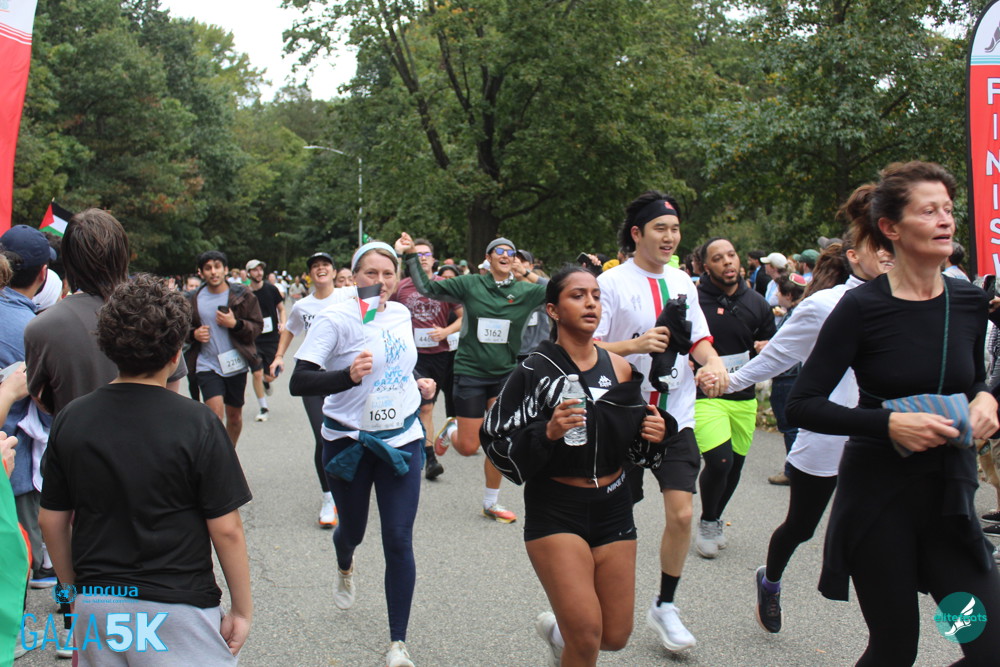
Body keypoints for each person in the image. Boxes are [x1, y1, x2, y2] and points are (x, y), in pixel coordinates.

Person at [786, 161, 1000, 665]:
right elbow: (803, 404)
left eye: (948, 209)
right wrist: (888, 423)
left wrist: (987, 398)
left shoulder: (968, 302)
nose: (945, 220)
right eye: (929, 211)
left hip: (950, 510)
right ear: (891, 228)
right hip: (881, 508)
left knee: (987, 647)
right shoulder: (861, 308)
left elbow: (971, 380)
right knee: (895, 649)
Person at [38, 274, 253, 665]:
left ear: (107, 346)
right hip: (178, 604)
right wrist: (241, 609)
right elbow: (226, 529)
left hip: (98, 602)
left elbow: (51, 520)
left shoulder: (72, 418)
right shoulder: (198, 422)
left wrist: (73, 595)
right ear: (175, 354)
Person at [481, 266, 669, 667]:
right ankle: (570, 636)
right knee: (585, 638)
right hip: (557, 509)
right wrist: (546, 433)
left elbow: (633, 447)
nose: (590, 304)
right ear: (553, 309)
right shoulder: (534, 370)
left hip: (614, 506)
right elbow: (495, 440)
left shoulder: (619, 367)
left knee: (614, 637)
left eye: (596, 296)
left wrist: (653, 434)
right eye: (578, 296)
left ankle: (557, 634)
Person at [725, 231, 893, 632]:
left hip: (886, 435)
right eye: (877, 246)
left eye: (892, 244)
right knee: (801, 526)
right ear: (853, 256)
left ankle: (889, 627)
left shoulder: (911, 302)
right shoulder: (825, 304)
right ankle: (770, 581)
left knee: (883, 529)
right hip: (829, 433)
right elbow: (780, 354)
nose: (888, 253)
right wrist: (729, 383)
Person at [593, 191, 729, 652]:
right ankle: (590, 603)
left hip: (676, 415)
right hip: (623, 416)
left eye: (675, 230)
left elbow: (699, 340)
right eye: (660, 229)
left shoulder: (683, 282)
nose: (670, 237)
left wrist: (713, 363)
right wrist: (635, 346)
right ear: (637, 234)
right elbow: (586, 348)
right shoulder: (611, 283)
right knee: (615, 517)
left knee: (683, 513)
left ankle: (665, 605)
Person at [290, 242, 434, 667]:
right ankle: (345, 561)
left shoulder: (401, 313)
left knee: (398, 538)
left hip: (401, 439)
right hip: (348, 443)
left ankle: (398, 644)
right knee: (352, 530)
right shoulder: (336, 318)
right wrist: (347, 377)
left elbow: (397, 360)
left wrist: (420, 381)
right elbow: (300, 381)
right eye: (371, 273)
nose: (381, 281)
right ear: (353, 277)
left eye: (388, 273)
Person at [394, 232, 547, 524]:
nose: (505, 255)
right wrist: (411, 255)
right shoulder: (470, 284)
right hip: (471, 372)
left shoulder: (525, 291)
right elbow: (427, 287)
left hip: (504, 374)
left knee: (500, 438)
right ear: (488, 259)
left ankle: (491, 502)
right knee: (468, 447)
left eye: (511, 252)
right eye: (499, 250)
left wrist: (528, 274)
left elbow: (558, 292)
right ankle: (451, 430)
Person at [690, 238, 775, 559]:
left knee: (735, 466)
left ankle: (713, 517)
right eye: (718, 258)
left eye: (731, 255)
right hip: (706, 394)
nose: (727, 262)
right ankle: (708, 523)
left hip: (743, 396)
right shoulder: (694, 301)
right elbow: (677, 338)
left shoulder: (757, 303)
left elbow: (769, 344)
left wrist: (766, 348)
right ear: (705, 266)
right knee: (720, 460)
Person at [271, 252, 355, 528]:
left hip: (345, 377)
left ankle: (353, 483)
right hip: (314, 378)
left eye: (325, 265)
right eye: (315, 267)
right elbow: (289, 330)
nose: (321, 269)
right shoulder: (302, 306)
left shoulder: (348, 295)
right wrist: (279, 356)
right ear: (310, 275)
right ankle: (329, 497)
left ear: (334, 272)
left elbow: (379, 294)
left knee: (352, 435)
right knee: (323, 437)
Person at [0, 225, 53, 589]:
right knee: (16, 563)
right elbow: (47, 404)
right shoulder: (32, 329)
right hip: (15, 468)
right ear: (43, 273)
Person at [389, 239, 463, 481]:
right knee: (425, 406)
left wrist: (446, 331)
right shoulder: (402, 287)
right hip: (411, 355)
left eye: (426, 254)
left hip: (440, 355)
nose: (422, 258)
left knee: (426, 406)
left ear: (433, 259)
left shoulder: (444, 285)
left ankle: (419, 447)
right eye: (417, 254)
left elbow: (464, 316)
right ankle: (430, 459)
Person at [185, 250, 263, 447]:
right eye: (208, 268)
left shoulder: (242, 295)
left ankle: (229, 454)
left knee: (234, 418)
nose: (213, 272)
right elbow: (180, 328)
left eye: (217, 267)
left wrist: (235, 324)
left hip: (235, 363)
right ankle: (217, 459)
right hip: (206, 364)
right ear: (201, 272)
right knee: (215, 417)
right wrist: (193, 334)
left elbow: (257, 326)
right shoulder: (192, 298)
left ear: (225, 269)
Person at [762, 272, 808, 486]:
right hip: (797, 375)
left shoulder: (795, 316)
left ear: (789, 295)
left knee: (790, 426)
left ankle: (792, 470)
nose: (776, 296)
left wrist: (767, 347)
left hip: (788, 376)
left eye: (779, 292)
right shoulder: (799, 312)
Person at [246, 259, 286, 423]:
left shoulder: (271, 289)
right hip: (253, 339)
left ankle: (266, 382)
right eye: (255, 270)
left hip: (271, 338)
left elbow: (281, 309)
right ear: (248, 273)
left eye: (260, 269)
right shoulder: (246, 293)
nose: (259, 273)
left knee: (270, 376)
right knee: (256, 372)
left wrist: (283, 323)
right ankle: (263, 407)